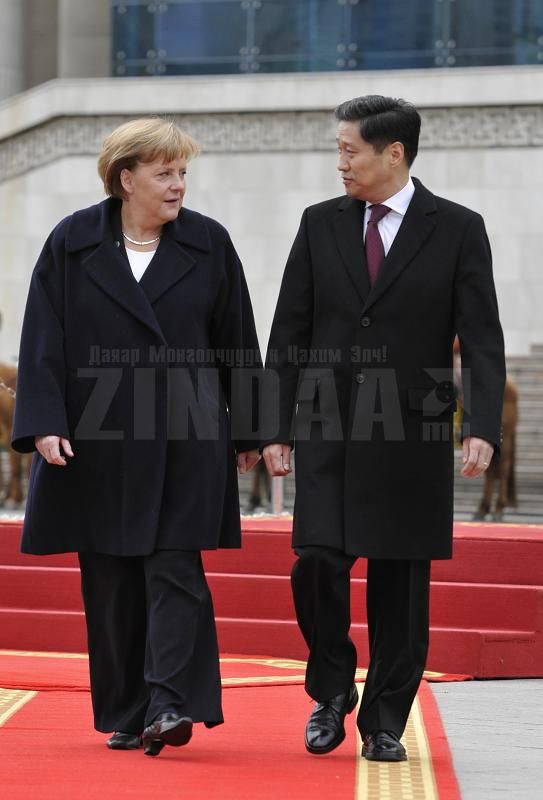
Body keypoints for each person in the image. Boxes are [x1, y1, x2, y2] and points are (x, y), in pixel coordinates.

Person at [262, 95, 505, 762]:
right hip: (328, 421)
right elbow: (288, 332)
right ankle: (331, 689)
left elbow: (481, 337)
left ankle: (384, 721)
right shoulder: (319, 224)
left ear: (393, 153)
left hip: (411, 429)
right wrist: (273, 426)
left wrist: (480, 424)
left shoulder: (458, 229)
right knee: (316, 561)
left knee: (400, 583)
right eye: (337, 150)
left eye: (350, 150)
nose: (339, 162)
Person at [12, 117, 260, 756]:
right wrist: (44, 422)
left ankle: (170, 702)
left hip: (187, 433)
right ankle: (128, 710)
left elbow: (237, 340)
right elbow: (42, 339)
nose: (178, 185)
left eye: (182, 173)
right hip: (98, 438)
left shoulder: (209, 243)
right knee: (112, 578)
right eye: (164, 173)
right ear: (126, 179)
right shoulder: (72, 242)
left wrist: (252, 431)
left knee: (176, 566)